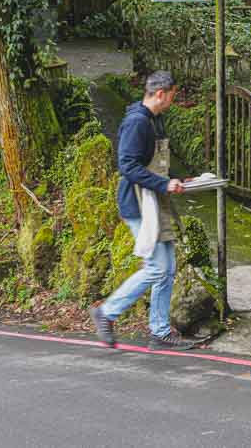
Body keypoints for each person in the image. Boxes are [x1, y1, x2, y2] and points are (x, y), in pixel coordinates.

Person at [90, 70, 194, 350]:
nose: (174, 100)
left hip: (155, 200)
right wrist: (163, 183)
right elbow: (128, 166)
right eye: (173, 95)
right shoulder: (137, 122)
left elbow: (155, 161)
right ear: (161, 93)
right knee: (157, 267)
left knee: (168, 269)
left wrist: (177, 180)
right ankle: (107, 311)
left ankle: (159, 331)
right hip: (138, 203)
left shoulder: (155, 119)